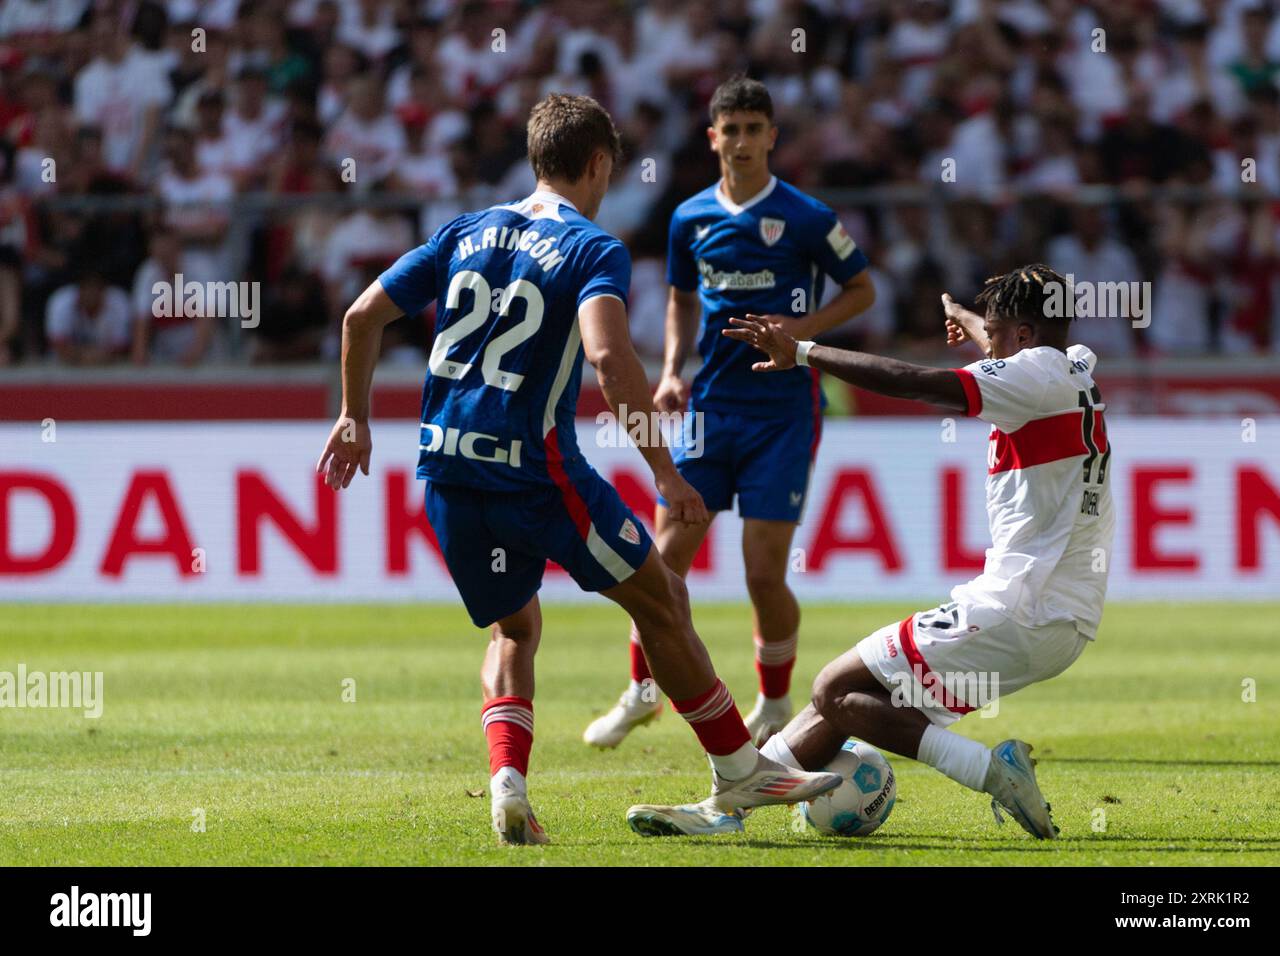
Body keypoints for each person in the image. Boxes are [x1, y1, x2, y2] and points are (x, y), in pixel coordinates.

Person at [315, 93, 840, 846]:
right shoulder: (594, 248)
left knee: (514, 627)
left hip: (444, 472)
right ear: (598, 165)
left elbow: (361, 316)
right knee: (660, 599)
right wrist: (664, 470)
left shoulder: (467, 230)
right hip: (534, 473)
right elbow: (606, 357)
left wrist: (353, 417)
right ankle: (738, 768)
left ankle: (508, 783)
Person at [627, 265, 1114, 840]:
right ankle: (725, 806)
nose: (991, 347)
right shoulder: (1076, 363)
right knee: (856, 697)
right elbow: (1020, 355)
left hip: (1019, 607)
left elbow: (913, 380)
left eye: (997, 332)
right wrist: (974, 322)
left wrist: (803, 351)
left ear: (1027, 337)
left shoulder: (1029, 377)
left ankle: (991, 771)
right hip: (1064, 622)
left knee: (834, 688)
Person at [584, 76, 874, 751]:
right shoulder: (689, 218)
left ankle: (774, 703)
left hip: (782, 414)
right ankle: (643, 691)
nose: (741, 141)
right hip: (710, 410)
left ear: (771, 136)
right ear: (712, 138)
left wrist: (803, 330)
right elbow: (683, 299)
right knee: (660, 561)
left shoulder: (804, 216)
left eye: (753, 129)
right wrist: (670, 373)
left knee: (762, 571)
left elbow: (862, 288)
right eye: (730, 130)